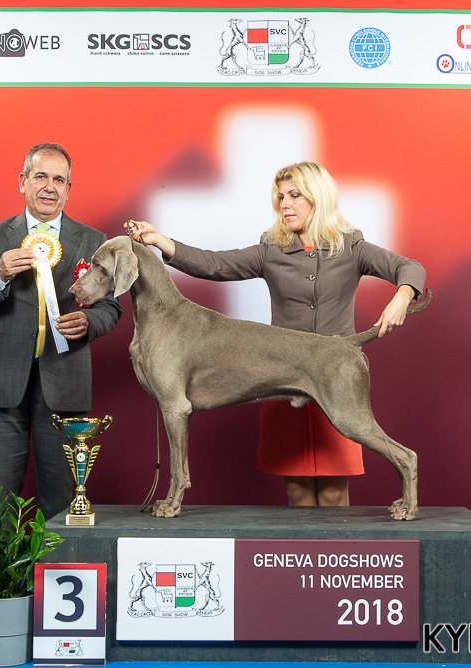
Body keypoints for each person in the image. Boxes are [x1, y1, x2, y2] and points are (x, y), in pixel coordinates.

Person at [126, 161, 425, 508]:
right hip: (278, 374)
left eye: (294, 195)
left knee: (333, 491)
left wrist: (402, 296)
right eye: (281, 197)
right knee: (298, 490)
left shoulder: (351, 247)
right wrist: (159, 240)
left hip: (334, 372)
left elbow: (409, 267)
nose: (284, 204)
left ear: (317, 198)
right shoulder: (272, 250)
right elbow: (213, 264)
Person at [0, 143, 122, 519]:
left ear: (68, 189)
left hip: (64, 385)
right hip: (1, 386)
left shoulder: (93, 240)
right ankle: (2, 564)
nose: (49, 186)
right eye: (41, 176)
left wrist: (89, 323)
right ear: (23, 181)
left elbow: (111, 308)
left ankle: (56, 562)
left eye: (59, 180)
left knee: (61, 504)